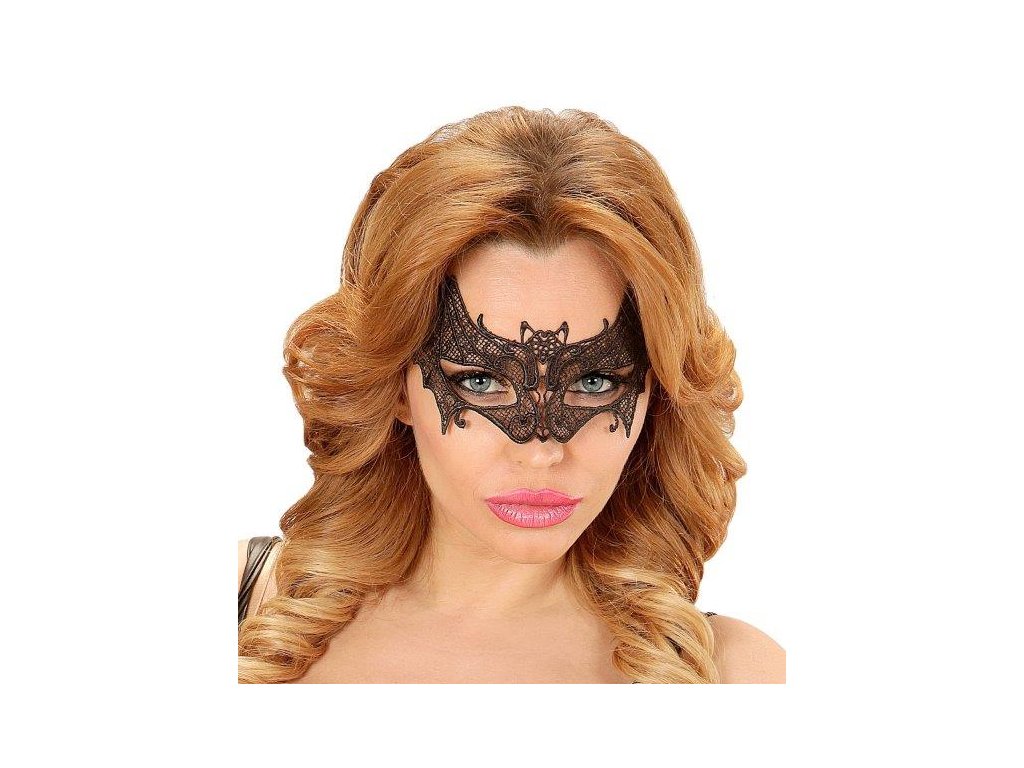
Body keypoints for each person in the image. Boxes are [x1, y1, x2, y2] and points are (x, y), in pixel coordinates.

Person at [237, 106, 785, 684]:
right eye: (481, 381)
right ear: (396, 384)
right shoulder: (238, 605)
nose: (541, 452)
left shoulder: (737, 674)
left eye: (594, 382)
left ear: (656, 391)